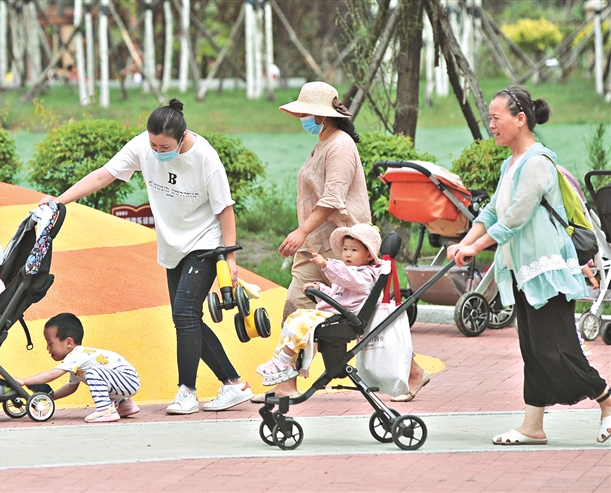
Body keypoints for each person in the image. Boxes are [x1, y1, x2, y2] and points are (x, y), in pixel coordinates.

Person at [38, 99, 253, 415]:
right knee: (187, 318)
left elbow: (225, 208)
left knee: (184, 315)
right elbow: (102, 175)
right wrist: (60, 201)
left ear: (181, 138)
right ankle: (234, 384)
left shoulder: (205, 156)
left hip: (206, 243)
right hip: (172, 246)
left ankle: (187, 391)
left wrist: (230, 259)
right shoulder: (143, 146)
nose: (156, 150)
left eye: (164, 145)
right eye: (152, 143)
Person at [447, 85, 611, 445]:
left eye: (496, 117)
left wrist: (474, 247)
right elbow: (492, 211)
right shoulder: (511, 164)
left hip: (546, 270)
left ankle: (607, 400)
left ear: (520, 119)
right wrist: (465, 241)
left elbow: (514, 220)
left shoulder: (538, 162)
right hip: (523, 270)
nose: (490, 124)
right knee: (533, 350)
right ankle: (532, 426)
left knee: (557, 348)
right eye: (488, 118)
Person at [253, 81, 430, 403]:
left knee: (357, 315)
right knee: (298, 304)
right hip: (318, 246)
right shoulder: (324, 142)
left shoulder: (340, 146)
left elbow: (333, 198)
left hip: (347, 245)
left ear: (322, 116)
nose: (303, 118)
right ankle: (286, 383)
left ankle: (410, 370)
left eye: (307, 112)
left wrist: (301, 232)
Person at [257, 223, 381, 385]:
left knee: (301, 323)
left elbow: (347, 278)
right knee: (294, 317)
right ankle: (282, 361)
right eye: (345, 249)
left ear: (369, 255)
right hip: (336, 314)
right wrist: (319, 288)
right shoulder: (350, 271)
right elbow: (336, 295)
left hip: (345, 319)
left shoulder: (364, 276)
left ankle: (282, 361)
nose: (347, 254)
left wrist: (326, 265)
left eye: (354, 250)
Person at [15, 313, 141, 423]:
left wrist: (25, 381)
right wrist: (51, 397)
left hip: (127, 378)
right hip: (124, 381)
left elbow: (52, 374)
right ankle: (126, 405)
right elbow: (71, 387)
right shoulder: (78, 362)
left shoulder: (77, 354)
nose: (47, 348)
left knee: (93, 374)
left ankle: (105, 410)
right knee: (97, 376)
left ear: (69, 342)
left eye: (50, 343)